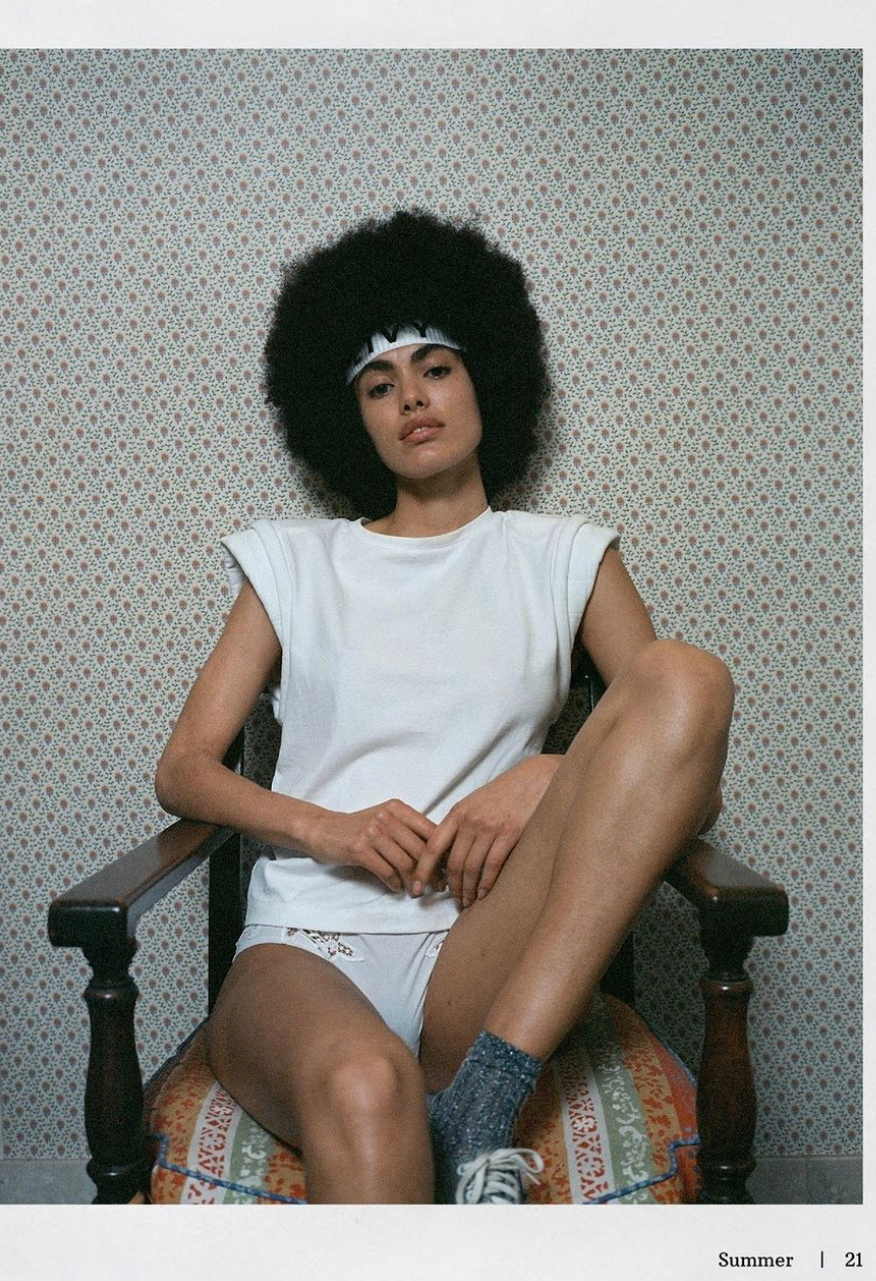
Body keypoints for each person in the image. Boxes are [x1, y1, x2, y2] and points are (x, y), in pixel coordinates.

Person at [154, 210, 734, 1204]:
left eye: (436, 367)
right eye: (379, 384)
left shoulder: (565, 556)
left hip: (483, 953)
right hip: (309, 944)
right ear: (351, 416)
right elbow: (183, 770)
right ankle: (448, 1126)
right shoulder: (295, 561)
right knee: (366, 1085)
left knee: (688, 674)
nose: (412, 397)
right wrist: (328, 828)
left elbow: (685, 776)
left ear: (485, 381)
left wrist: (547, 776)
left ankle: (483, 1097)